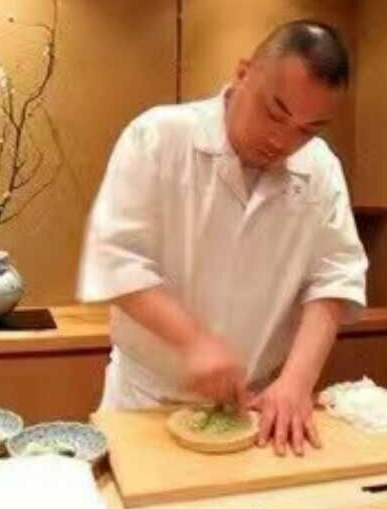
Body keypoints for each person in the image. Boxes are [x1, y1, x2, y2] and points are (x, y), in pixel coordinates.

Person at [78, 20, 368, 457]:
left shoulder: (321, 168)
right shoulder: (158, 137)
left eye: (308, 129)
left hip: (259, 409)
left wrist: (297, 380)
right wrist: (194, 342)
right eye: (275, 113)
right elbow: (115, 256)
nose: (283, 140)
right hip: (147, 402)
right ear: (243, 72)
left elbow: (335, 277)